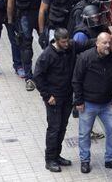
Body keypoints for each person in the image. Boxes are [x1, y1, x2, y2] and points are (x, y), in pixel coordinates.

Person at [33, 28, 95, 172]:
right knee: (54, 128)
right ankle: (50, 160)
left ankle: (57, 155)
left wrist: (108, 37)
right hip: (54, 99)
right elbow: (38, 76)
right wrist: (47, 96)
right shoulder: (47, 55)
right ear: (56, 40)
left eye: (67, 41)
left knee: (62, 127)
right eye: (63, 42)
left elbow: (87, 44)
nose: (66, 44)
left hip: (67, 96)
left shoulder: (71, 46)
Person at [72, 32, 112, 174]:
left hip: (107, 104)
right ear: (97, 43)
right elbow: (76, 80)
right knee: (84, 133)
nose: (108, 45)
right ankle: (85, 160)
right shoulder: (85, 58)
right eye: (104, 43)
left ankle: (110, 159)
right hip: (88, 104)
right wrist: (79, 101)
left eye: (109, 43)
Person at [7, 0, 53, 90]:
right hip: (24, 15)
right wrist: (10, 21)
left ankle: (49, 73)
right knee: (26, 46)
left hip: (40, 13)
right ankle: (29, 76)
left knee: (46, 42)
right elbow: (11, 2)